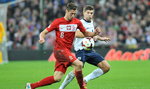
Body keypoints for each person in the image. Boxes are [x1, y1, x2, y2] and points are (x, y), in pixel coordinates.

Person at [26, 3, 100, 89]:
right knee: (79, 64)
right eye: (71, 13)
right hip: (59, 50)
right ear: (66, 11)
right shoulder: (58, 22)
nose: (73, 15)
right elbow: (43, 32)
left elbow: (86, 33)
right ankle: (82, 87)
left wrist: (94, 33)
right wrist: (42, 38)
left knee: (57, 78)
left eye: (74, 14)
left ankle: (31, 86)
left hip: (67, 51)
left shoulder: (77, 22)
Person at [59, 5, 110, 89]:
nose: (90, 14)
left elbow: (92, 36)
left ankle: (85, 80)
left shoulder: (91, 22)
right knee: (77, 69)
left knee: (106, 67)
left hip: (90, 51)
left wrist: (101, 38)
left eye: (91, 13)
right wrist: (92, 33)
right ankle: (61, 88)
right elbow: (76, 34)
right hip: (81, 50)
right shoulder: (79, 22)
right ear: (83, 13)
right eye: (88, 13)